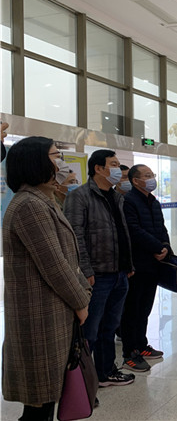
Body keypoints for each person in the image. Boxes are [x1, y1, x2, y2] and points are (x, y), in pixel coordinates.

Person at [3, 136, 91, 421]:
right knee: (39, 405)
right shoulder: (29, 205)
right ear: (35, 162)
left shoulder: (43, 200)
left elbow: (67, 258)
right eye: (56, 156)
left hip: (53, 312)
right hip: (40, 316)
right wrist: (81, 302)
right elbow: (54, 265)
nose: (61, 163)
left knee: (45, 401)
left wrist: (81, 294)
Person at [64, 149, 136, 387]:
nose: (117, 169)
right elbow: (75, 237)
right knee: (89, 332)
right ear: (98, 168)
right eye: (113, 164)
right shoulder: (80, 196)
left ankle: (105, 373)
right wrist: (86, 270)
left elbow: (122, 234)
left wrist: (128, 264)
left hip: (119, 273)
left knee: (109, 327)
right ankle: (81, 386)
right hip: (97, 275)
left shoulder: (117, 197)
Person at [121, 164, 170, 371]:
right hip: (138, 264)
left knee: (145, 309)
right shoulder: (129, 201)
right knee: (132, 309)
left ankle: (142, 345)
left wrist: (165, 246)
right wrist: (156, 247)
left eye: (152, 175)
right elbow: (133, 230)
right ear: (135, 180)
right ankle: (130, 352)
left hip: (153, 264)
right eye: (147, 175)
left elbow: (161, 227)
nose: (151, 179)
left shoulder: (153, 201)